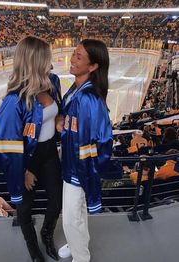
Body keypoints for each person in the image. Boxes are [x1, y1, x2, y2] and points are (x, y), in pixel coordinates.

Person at [0, 36, 62, 262]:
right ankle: (33, 249)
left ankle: (46, 233)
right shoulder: (15, 101)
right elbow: (1, 142)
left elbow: (57, 111)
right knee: (24, 208)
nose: (50, 62)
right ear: (34, 61)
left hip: (50, 152)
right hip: (27, 159)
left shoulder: (53, 81)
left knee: (57, 202)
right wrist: (23, 171)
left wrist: (59, 120)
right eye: (46, 58)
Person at [58, 39, 113, 262]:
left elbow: (101, 142)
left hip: (79, 168)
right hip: (71, 162)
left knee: (71, 218)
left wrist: (86, 173)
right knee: (76, 213)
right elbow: (70, 122)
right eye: (74, 53)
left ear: (93, 66)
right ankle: (76, 243)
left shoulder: (89, 99)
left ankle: (81, 257)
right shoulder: (76, 89)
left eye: (79, 56)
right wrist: (61, 123)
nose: (72, 59)